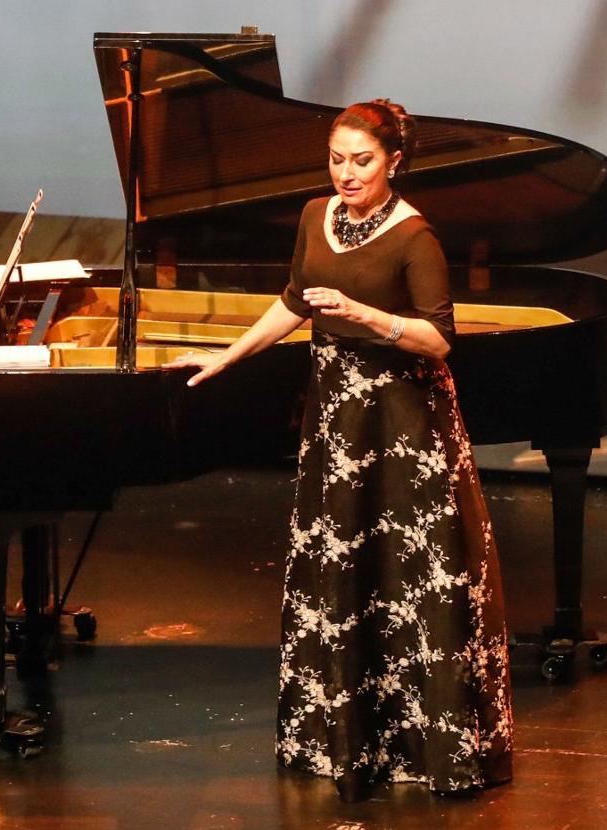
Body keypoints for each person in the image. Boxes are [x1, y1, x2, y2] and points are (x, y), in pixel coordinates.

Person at [165, 101, 512, 800]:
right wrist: (230, 357)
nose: (347, 173)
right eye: (337, 159)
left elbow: (438, 339)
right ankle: (341, 740)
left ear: (393, 162)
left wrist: (364, 316)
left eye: (363, 160)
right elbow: (294, 300)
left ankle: (425, 744)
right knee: (341, 565)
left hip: (403, 422)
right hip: (337, 419)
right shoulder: (313, 215)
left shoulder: (417, 237)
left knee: (412, 575)